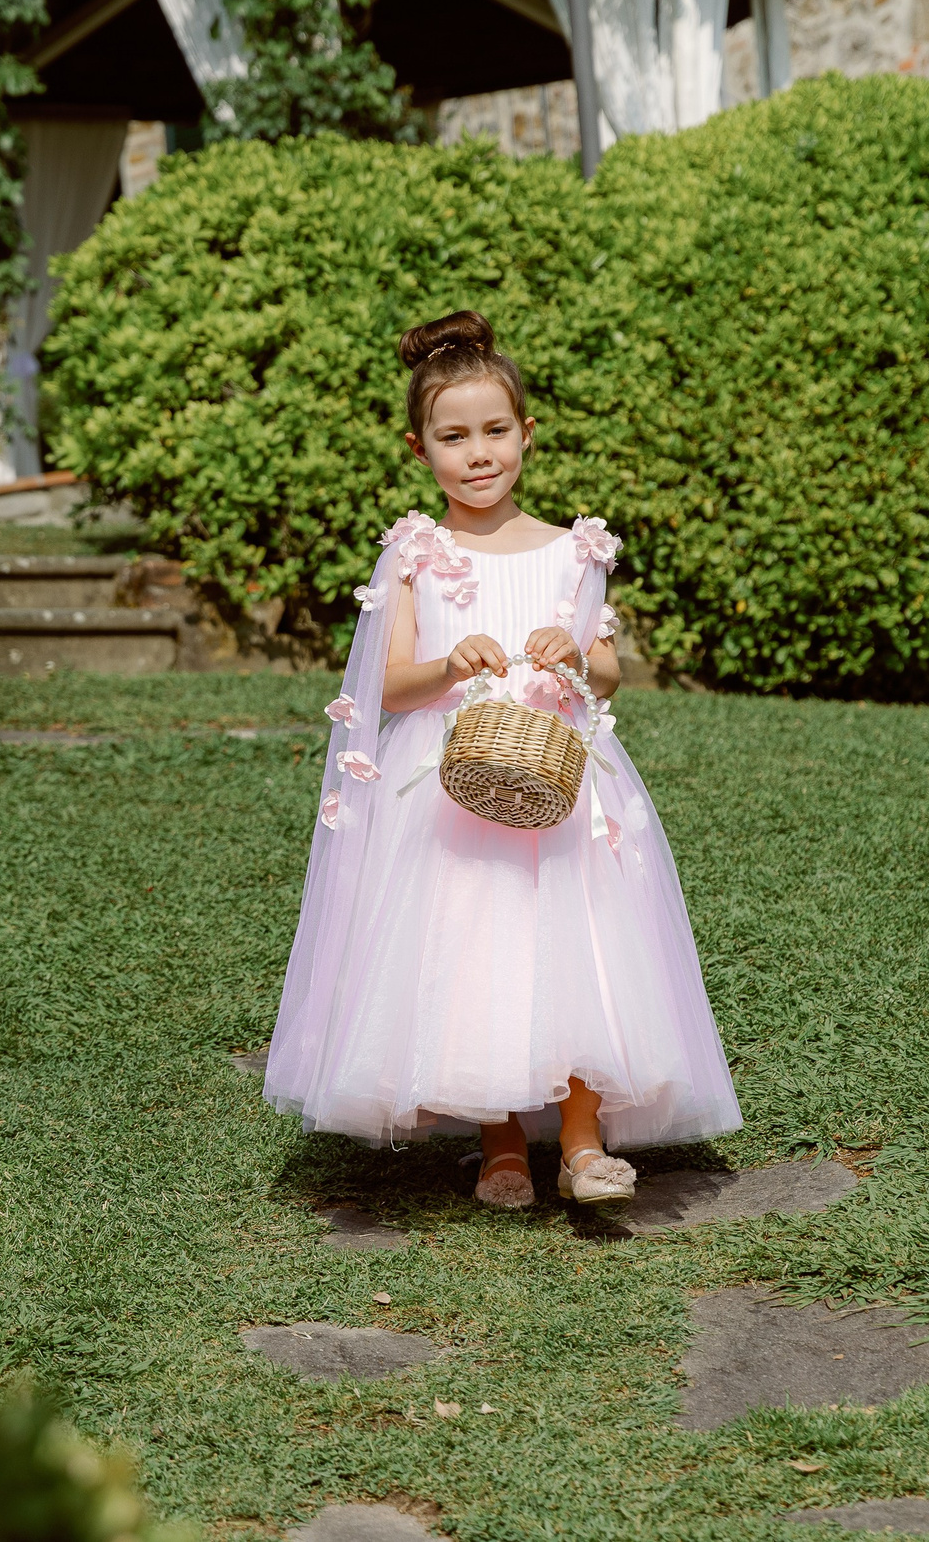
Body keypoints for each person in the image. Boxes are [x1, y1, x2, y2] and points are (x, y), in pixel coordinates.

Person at [261, 310, 741, 1208]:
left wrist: (577, 650)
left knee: (582, 947)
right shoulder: (415, 552)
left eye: (494, 432)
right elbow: (390, 687)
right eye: (454, 437)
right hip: (450, 784)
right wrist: (448, 663)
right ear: (420, 447)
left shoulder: (574, 549)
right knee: (473, 949)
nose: (478, 454)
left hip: (562, 776)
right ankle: (501, 1140)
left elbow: (610, 674)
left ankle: (584, 1141)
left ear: (527, 433)